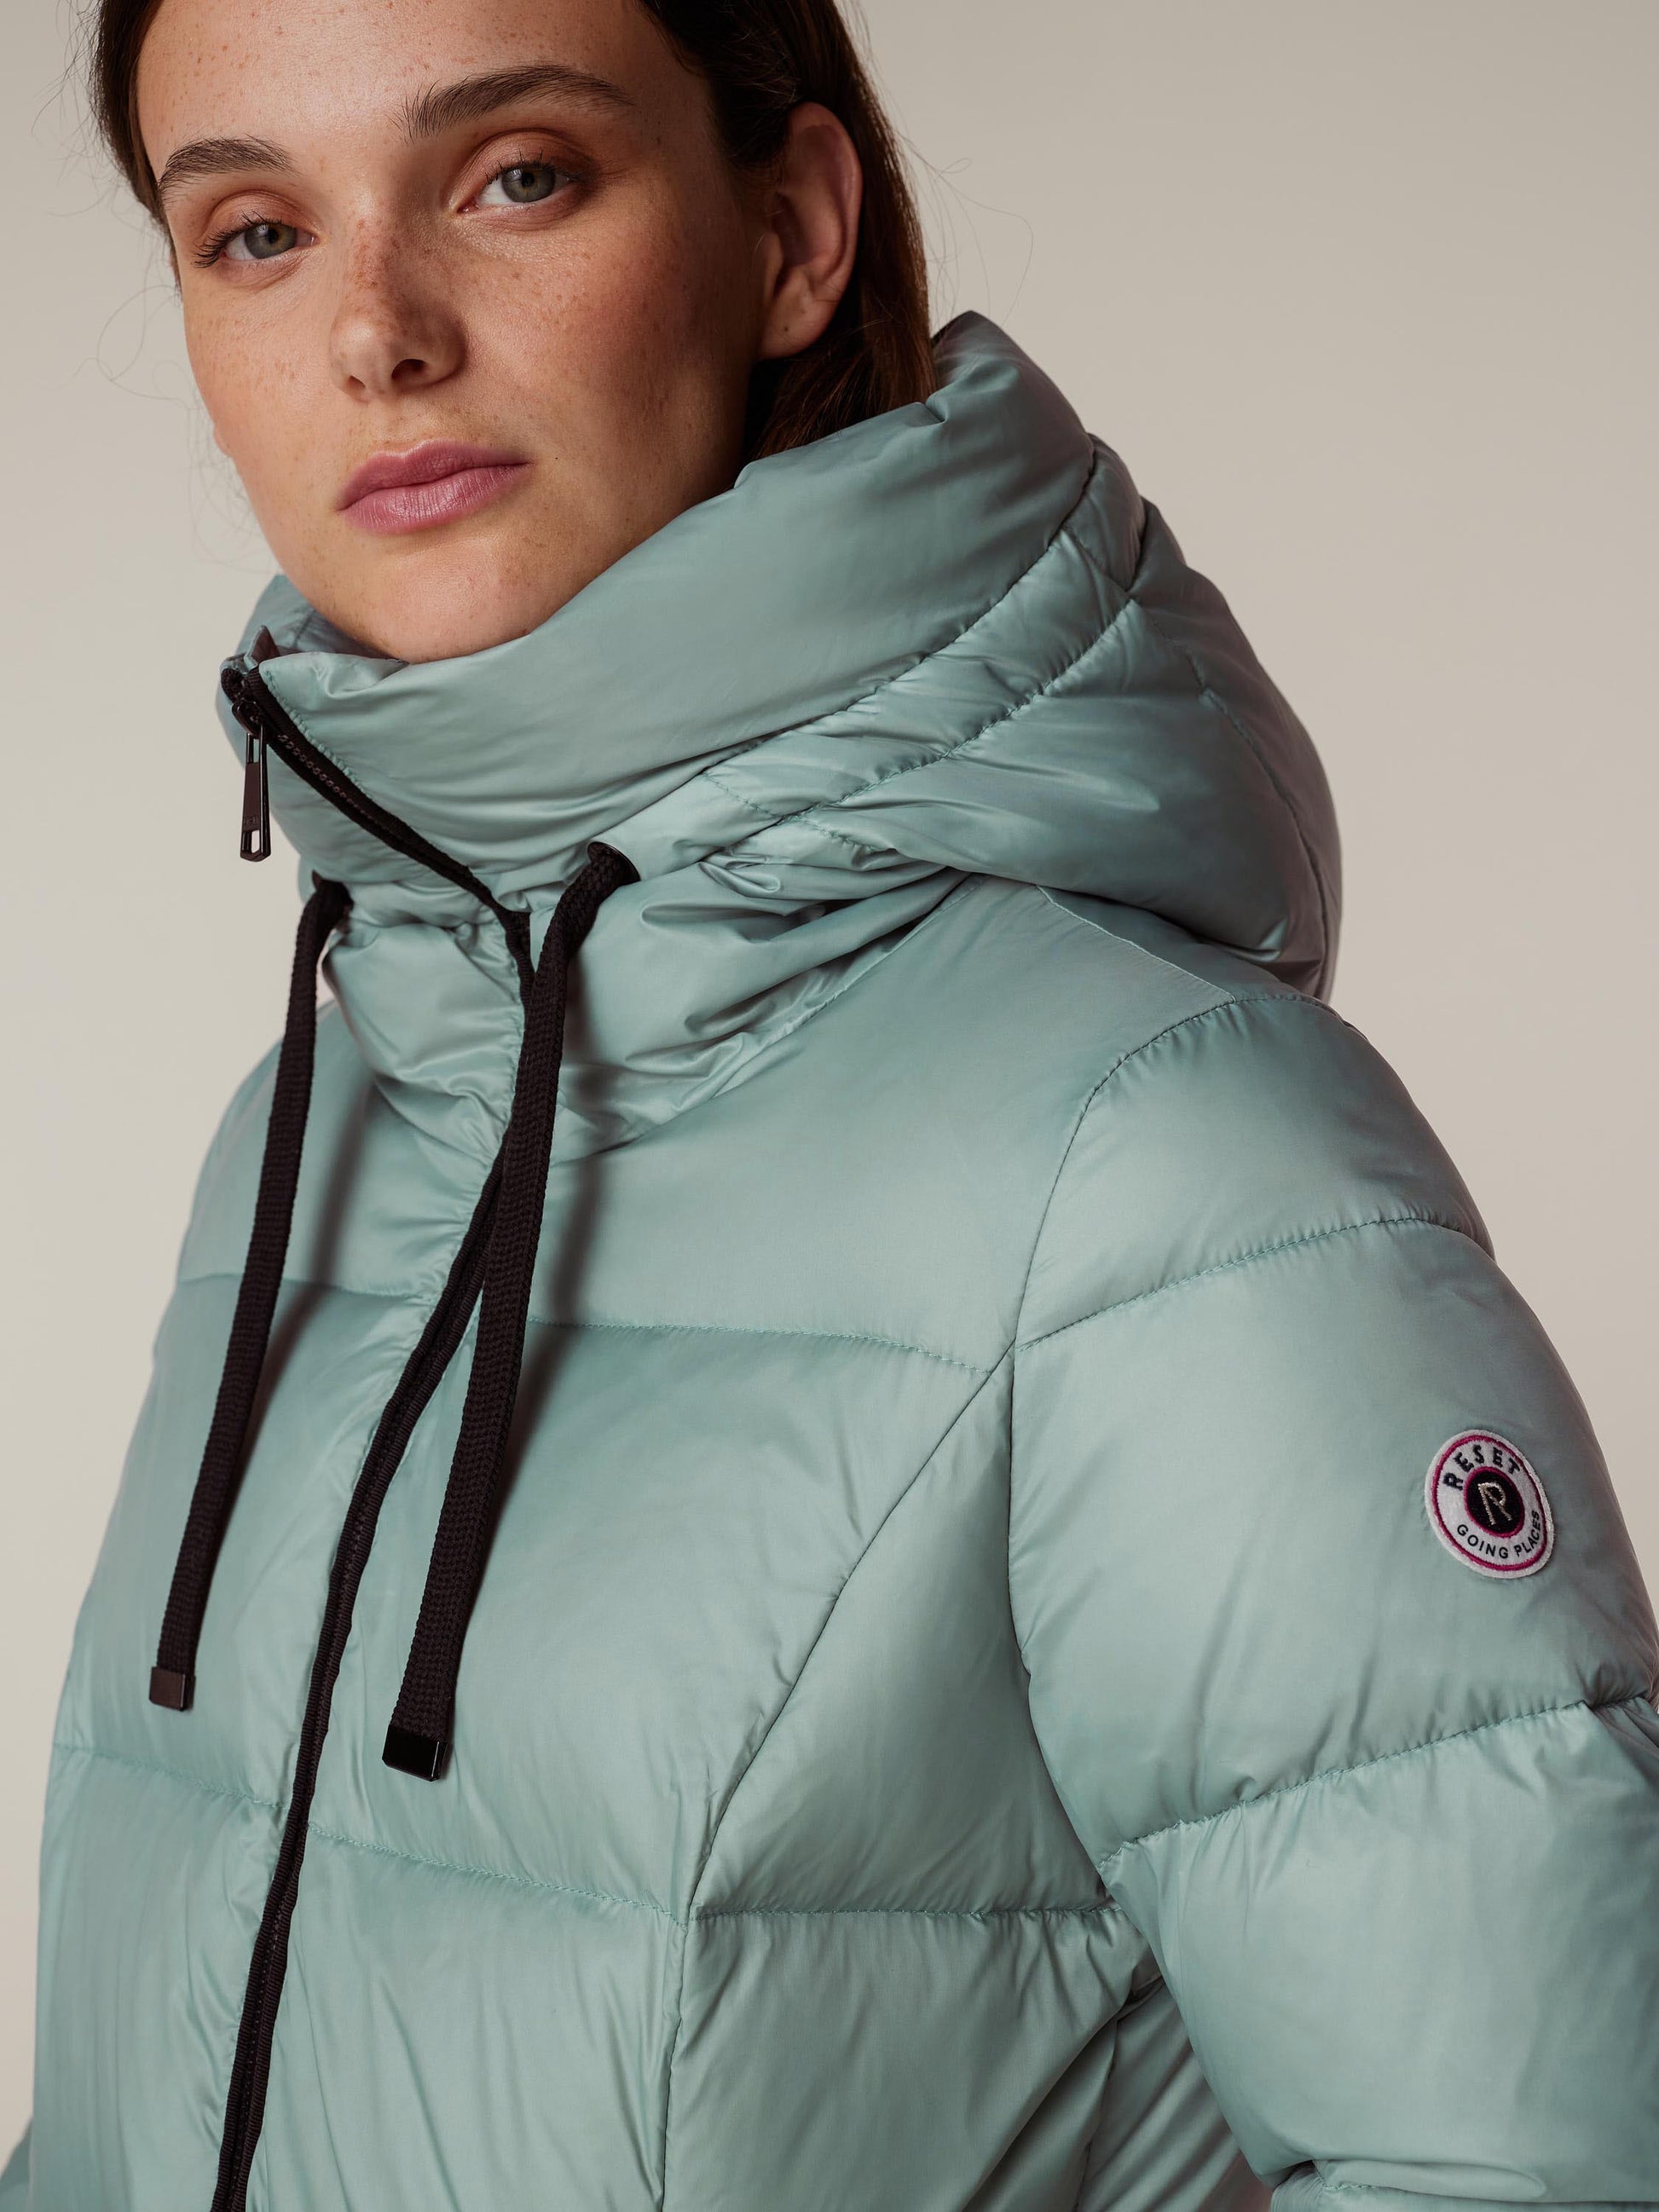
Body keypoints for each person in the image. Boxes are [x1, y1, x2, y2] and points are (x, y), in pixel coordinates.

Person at [7, 0, 1656, 2203]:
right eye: (254, 231)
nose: (377, 333)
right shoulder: (315, 1126)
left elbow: (1538, 2161)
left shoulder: (1163, 1168)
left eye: (515, 176)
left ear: (789, 229)